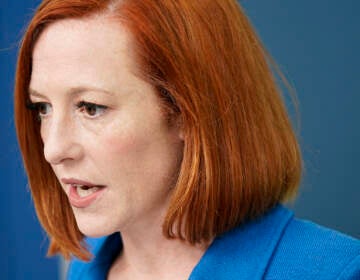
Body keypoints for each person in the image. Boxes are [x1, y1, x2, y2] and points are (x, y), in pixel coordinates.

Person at [14, 0, 359, 279]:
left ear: (189, 111)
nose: (53, 149)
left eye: (91, 108)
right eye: (42, 107)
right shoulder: (85, 266)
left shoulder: (336, 271)